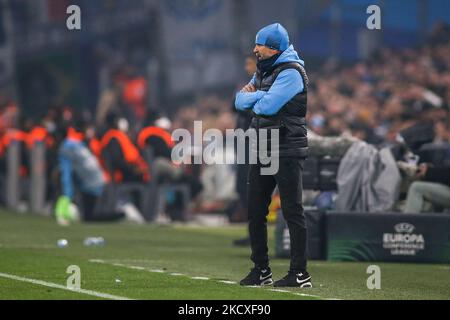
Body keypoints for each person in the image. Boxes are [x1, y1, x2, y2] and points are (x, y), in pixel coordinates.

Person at [235, 23, 312, 288]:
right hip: (263, 146)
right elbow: (238, 101)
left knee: (292, 211)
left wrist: (255, 97)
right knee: (255, 210)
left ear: (274, 48)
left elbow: (267, 108)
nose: (254, 49)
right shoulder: (264, 69)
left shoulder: (291, 72)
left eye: (260, 45)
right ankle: (261, 269)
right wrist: (260, 96)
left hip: (287, 148)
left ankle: (300, 273)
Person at [55, 121, 144, 225]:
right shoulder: (80, 144)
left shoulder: (69, 146)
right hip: (102, 181)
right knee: (93, 216)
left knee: (91, 217)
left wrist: (67, 196)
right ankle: (124, 213)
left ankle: (125, 213)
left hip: (94, 186)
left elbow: (67, 175)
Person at [232, 55, 257, 245]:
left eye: (249, 63)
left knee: (251, 187)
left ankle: (256, 233)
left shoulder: (265, 83)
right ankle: (252, 232)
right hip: (243, 142)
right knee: (242, 187)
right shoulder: (250, 83)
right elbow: (236, 106)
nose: (246, 66)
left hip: (255, 142)